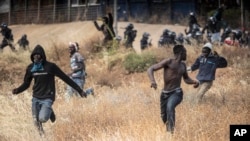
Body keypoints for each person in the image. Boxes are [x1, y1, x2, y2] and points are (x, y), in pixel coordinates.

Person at [12, 44, 88, 136]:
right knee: (36, 121)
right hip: (36, 97)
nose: (36, 57)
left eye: (38, 55)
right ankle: (42, 137)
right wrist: (18, 90)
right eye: (34, 55)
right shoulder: (31, 68)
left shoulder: (50, 67)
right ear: (32, 56)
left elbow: (65, 78)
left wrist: (80, 90)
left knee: (42, 118)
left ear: (42, 56)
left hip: (48, 97)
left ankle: (50, 111)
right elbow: (26, 83)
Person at [147, 45, 199, 134]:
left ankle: (170, 133)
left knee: (170, 107)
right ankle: (169, 127)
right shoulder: (169, 61)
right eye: (185, 52)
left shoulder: (183, 65)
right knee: (164, 116)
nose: (186, 54)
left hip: (177, 92)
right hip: (164, 94)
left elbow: (186, 79)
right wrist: (153, 81)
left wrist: (195, 82)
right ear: (181, 53)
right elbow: (150, 68)